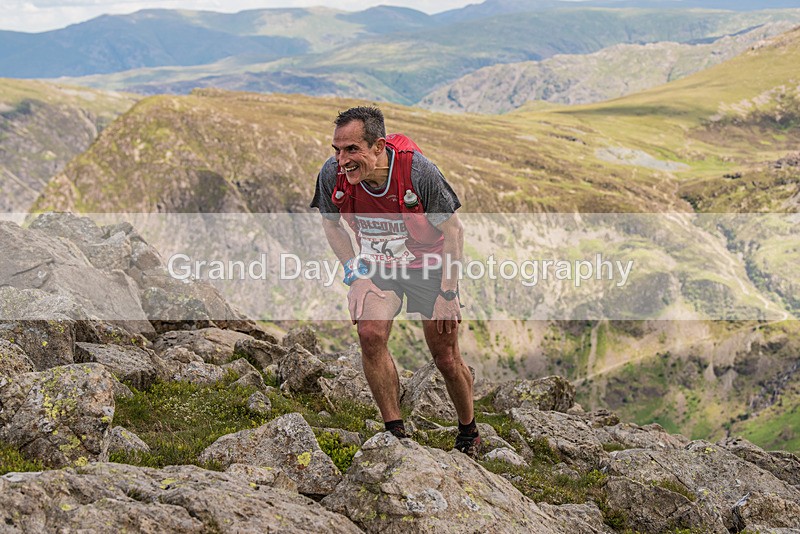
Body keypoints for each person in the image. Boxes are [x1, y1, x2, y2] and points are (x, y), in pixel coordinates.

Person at [310, 106, 481, 457]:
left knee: (446, 357)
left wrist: (448, 293)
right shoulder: (332, 174)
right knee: (370, 334)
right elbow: (331, 224)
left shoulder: (418, 172)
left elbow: (454, 231)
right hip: (377, 265)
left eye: (352, 150)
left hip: (429, 267)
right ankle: (395, 433)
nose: (342, 160)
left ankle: (469, 432)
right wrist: (355, 276)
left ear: (378, 147)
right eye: (337, 150)